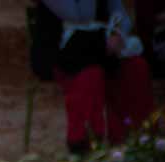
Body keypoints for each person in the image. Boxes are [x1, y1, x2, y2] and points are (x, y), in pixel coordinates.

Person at [37, 0, 156, 152]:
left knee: (136, 67)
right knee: (91, 76)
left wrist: (117, 34)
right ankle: (85, 144)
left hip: (99, 49)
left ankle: (134, 139)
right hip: (65, 53)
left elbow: (121, 16)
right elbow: (81, 15)